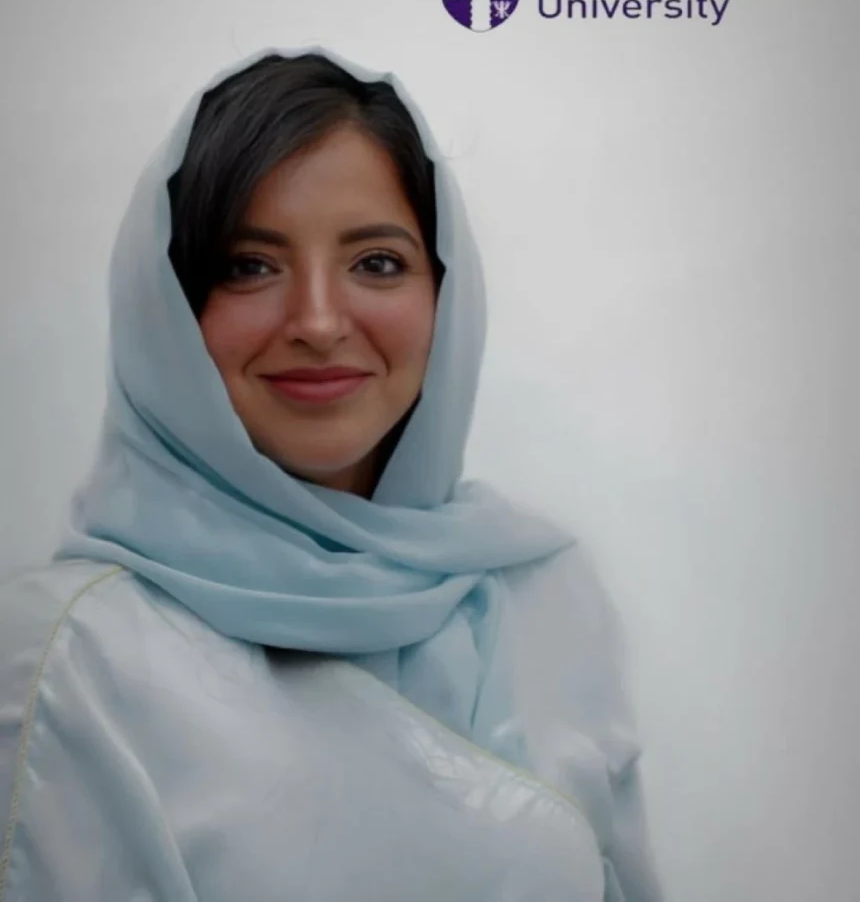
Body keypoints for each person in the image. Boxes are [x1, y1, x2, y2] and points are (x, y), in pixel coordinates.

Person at [0, 46, 663, 901]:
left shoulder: (543, 597)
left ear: (446, 292)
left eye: (376, 262)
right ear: (166, 307)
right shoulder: (70, 657)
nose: (317, 321)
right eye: (249, 265)